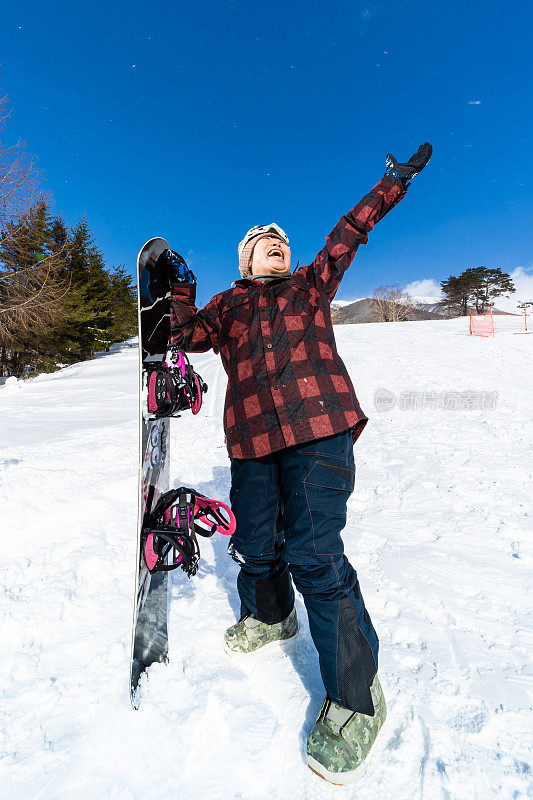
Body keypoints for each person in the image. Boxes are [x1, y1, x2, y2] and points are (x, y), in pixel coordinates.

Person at [169, 143, 432, 784]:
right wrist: (176, 290)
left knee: (314, 554)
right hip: (253, 441)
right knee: (256, 545)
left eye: (282, 240)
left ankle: (357, 698)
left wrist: (389, 184)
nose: (277, 243)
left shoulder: (312, 286)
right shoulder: (227, 310)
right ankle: (270, 614)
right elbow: (180, 337)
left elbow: (349, 234)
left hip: (319, 430)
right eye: (265, 242)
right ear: (244, 260)